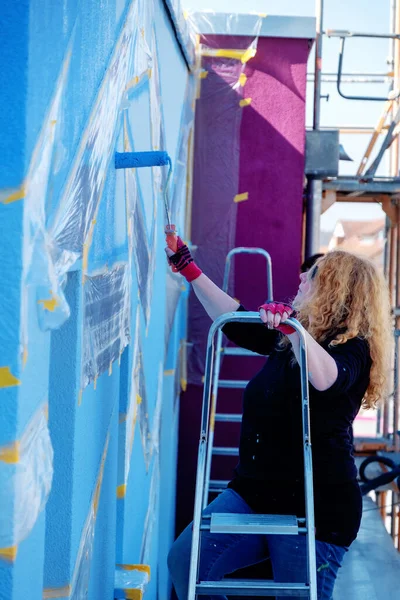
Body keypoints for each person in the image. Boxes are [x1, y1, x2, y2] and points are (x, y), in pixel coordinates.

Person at [166, 238, 392, 600]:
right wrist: (188, 268)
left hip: (318, 505)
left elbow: (326, 379)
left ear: (336, 291)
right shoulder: (294, 339)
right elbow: (235, 321)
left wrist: (293, 330)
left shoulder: (355, 350)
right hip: (254, 492)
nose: (303, 277)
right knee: (185, 562)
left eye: (314, 274)